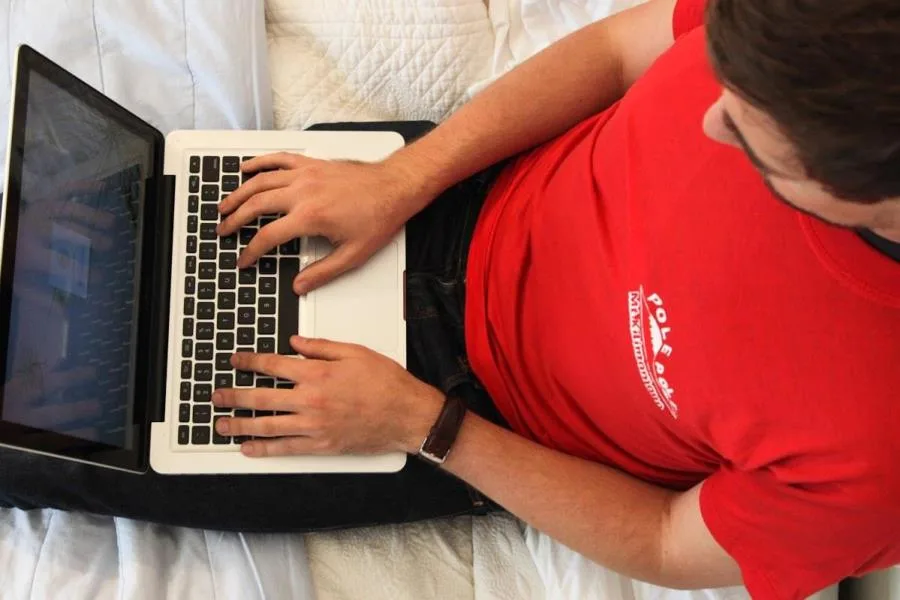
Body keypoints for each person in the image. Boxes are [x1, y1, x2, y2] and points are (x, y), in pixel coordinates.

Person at [2, 0, 898, 597]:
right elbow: (622, 48)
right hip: (453, 189)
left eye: (746, 134)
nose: (709, 117)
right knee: (81, 228)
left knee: (50, 426)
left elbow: (667, 542)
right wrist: (401, 177)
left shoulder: (876, 448)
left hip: (466, 407)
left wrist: (421, 426)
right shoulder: (824, 28)